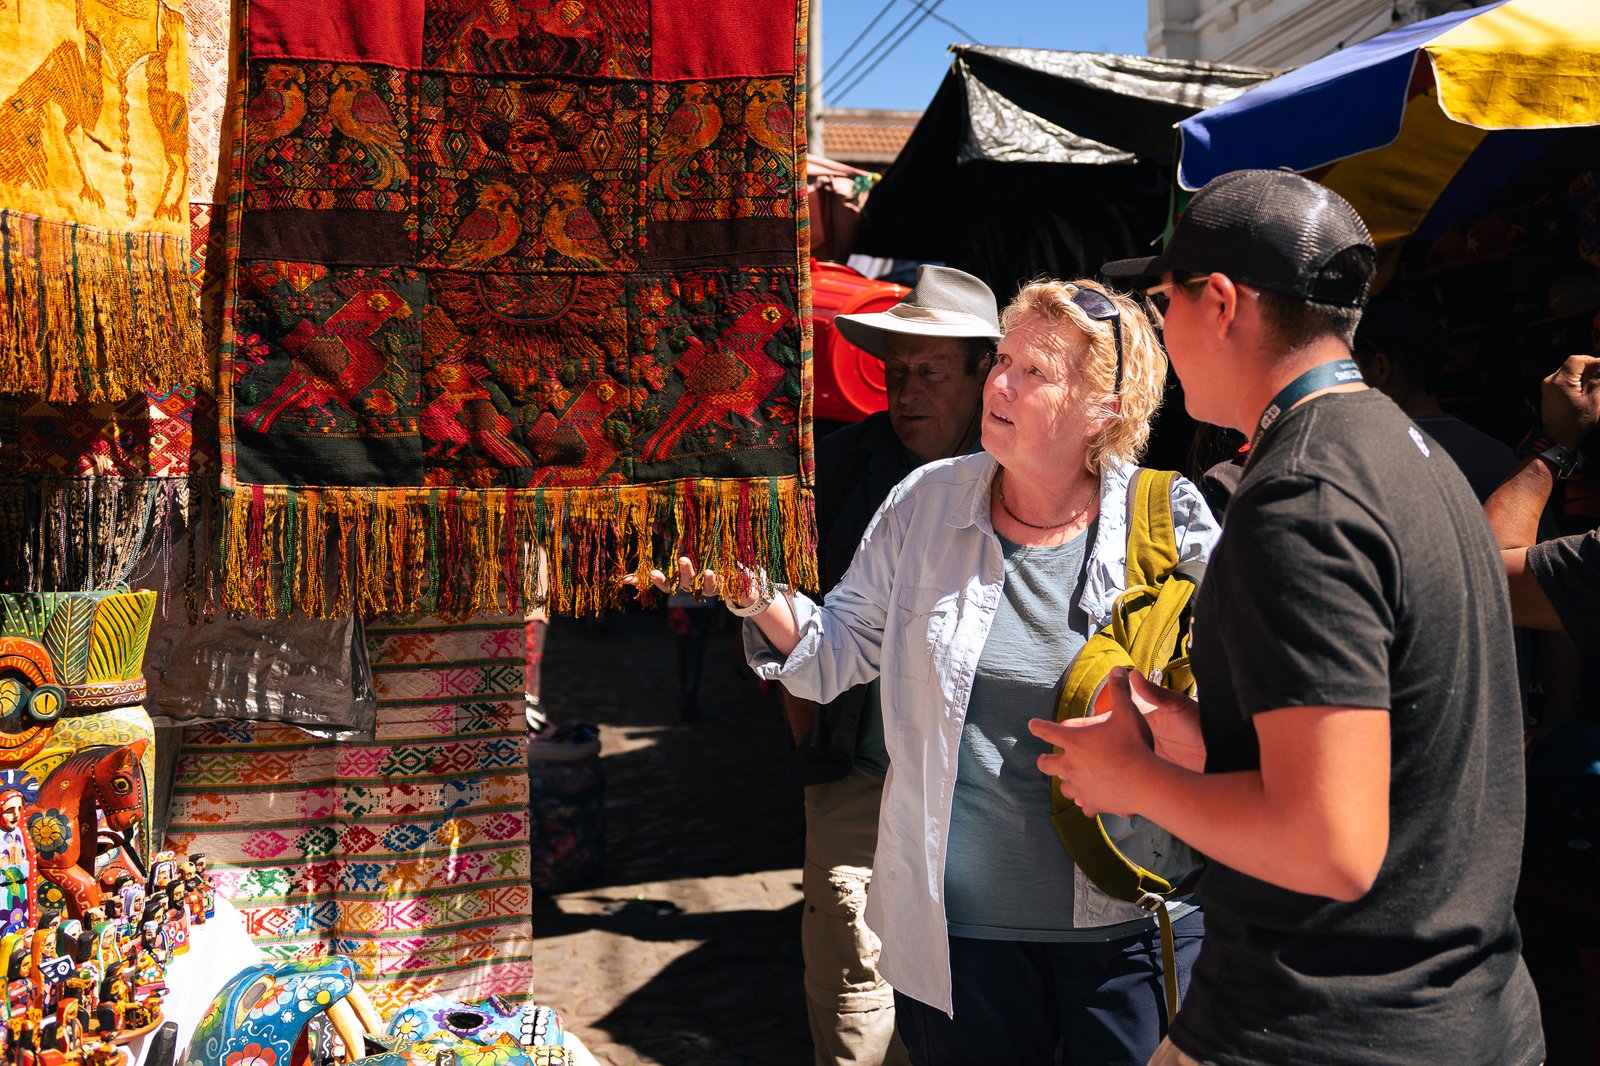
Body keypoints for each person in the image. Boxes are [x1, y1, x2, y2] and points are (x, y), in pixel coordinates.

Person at [1035, 168, 1542, 1065]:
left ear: (1221, 302)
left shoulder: (1302, 492)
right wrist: (1214, 741)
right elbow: (1396, 754)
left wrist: (1132, 781)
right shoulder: (1407, 451)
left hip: (1324, 1027)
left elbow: (1330, 847)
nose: (1163, 330)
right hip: (1460, 1016)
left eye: (1165, 301)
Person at [640, 277, 1218, 1064]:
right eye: (1002, 360)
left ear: (1102, 411)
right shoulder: (925, 504)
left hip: (1126, 924)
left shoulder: (1166, 520)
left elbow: (1236, 699)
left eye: (1034, 372)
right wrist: (756, 593)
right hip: (960, 940)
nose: (1001, 384)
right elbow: (836, 652)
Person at [786, 264, 1001, 1066]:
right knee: (855, 1001)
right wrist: (814, 743)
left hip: (985, 792)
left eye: (931, 373)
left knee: (970, 995)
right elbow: (792, 611)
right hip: (863, 780)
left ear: (986, 373)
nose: (907, 393)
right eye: (895, 372)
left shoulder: (1026, 476)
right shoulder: (844, 468)